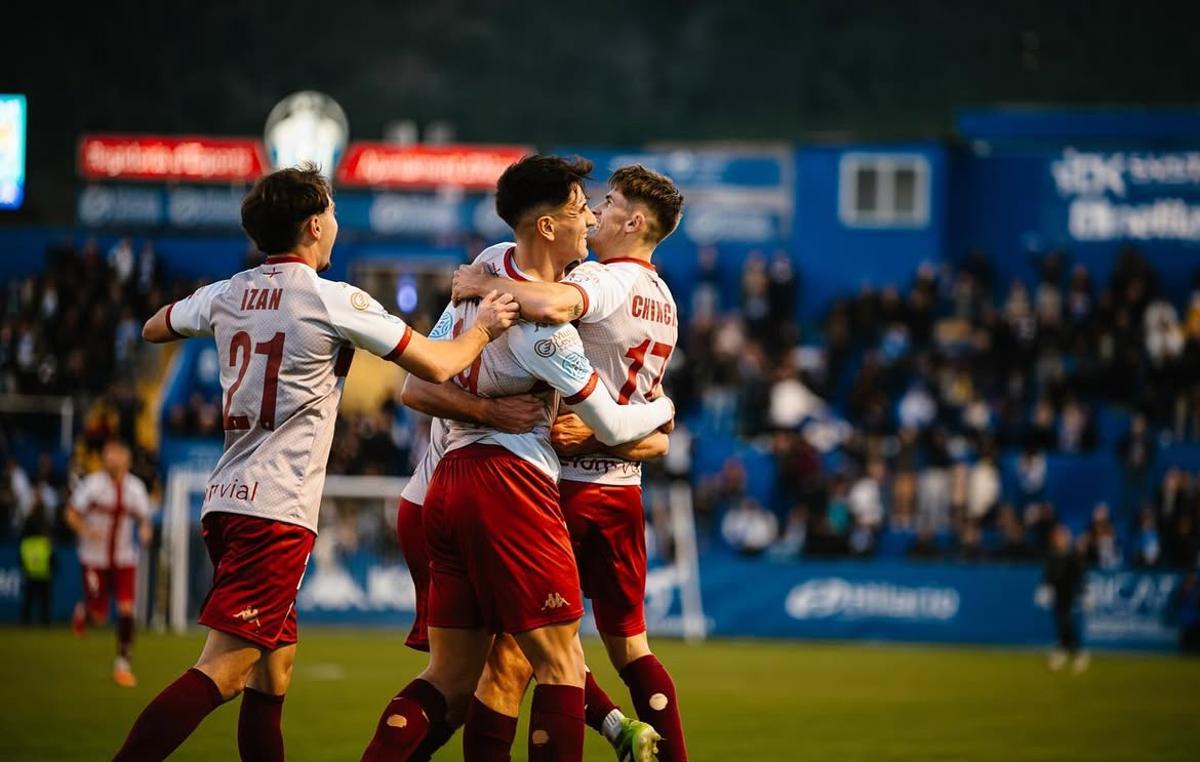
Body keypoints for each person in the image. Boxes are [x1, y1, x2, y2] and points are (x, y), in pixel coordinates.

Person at [113, 163, 519, 762]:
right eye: (329, 213)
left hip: (227, 500)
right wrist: (483, 327)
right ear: (310, 226)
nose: (334, 224)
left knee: (271, 677)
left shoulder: (228, 292)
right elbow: (436, 364)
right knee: (225, 671)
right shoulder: (334, 300)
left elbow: (154, 327)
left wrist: (228, 319)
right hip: (276, 511)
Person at [360, 155, 676, 762]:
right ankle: (618, 731)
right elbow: (609, 421)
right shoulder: (546, 330)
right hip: (510, 487)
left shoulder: (484, 269)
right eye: (583, 209)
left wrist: (477, 402)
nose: (591, 219)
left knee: (453, 680)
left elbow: (420, 380)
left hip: (443, 487)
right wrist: (664, 411)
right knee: (560, 662)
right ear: (550, 227)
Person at [450, 163, 690, 761]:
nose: (595, 214)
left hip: (563, 487)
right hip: (624, 490)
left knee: (516, 659)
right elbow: (656, 430)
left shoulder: (608, 280)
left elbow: (554, 305)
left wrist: (483, 285)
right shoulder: (666, 300)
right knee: (631, 647)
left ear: (634, 221)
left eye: (607, 203)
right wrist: (651, 422)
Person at [65, 439, 152, 687]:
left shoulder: (135, 488)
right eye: (107, 453)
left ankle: (123, 664)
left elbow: (144, 518)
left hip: (124, 558)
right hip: (94, 558)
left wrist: (145, 531)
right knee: (99, 616)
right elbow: (70, 513)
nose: (110, 458)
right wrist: (85, 530)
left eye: (115, 454)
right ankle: (84, 610)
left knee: (126, 609)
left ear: (126, 459)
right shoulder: (92, 486)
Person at [1038, 524, 1088, 673]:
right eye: (1057, 536)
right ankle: (1064, 651)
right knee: (1061, 623)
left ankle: (1076, 652)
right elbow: (1047, 575)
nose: (1060, 539)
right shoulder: (1052, 556)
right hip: (1057, 594)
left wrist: (1085, 593)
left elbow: (1079, 576)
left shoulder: (1072, 556)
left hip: (1069, 593)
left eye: (1062, 536)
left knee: (1065, 622)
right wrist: (1044, 589)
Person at [19, 501, 54, 626]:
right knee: (43, 599)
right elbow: (50, 550)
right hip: (43, 569)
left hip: (30, 568)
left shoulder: (29, 524)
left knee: (29, 597)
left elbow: (22, 544)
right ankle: (44, 620)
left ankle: (26, 620)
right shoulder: (44, 524)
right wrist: (53, 565)